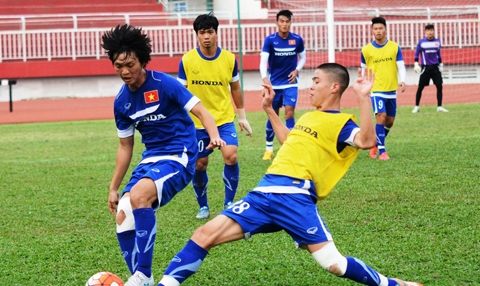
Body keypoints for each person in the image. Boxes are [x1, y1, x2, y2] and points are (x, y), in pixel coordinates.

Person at [157, 63, 423, 286]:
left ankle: (394, 284)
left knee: (334, 264)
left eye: (316, 80)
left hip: (295, 196)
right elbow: (289, 140)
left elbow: (366, 141)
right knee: (203, 235)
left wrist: (364, 97)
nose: (310, 85)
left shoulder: (343, 123)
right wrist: (270, 110)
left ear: (334, 87)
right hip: (263, 193)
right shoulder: (308, 118)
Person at [102, 24, 225, 286]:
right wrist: (113, 188)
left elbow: (202, 111)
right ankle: (141, 276)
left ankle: (143, 275)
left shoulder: (164, 83)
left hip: (180, 154)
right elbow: (125, 147)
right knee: (124, 211)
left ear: (141, 60)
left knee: (139, 197)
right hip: (152, 157)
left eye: (130, 64)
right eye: (118, 65)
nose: (124, 71)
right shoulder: (121, 101)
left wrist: (214, 135)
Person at [177, 12, 252, 220]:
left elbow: (235, 88)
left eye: (210, 32)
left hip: (224, 120)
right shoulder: (187, 60)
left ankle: (229, 203)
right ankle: (203, 206)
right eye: (202, 32)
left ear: (216, 33)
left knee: (231, 155)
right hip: (197, 124)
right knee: (200, 164)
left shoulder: (229, 59)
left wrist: (242, 116)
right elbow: (180, 94)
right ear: (197, 35)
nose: (207, 36)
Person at [259, 9, 306, 160]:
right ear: (277, 22)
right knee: (273, 116)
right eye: (282, 21)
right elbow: (263, 61)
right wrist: (264, 78)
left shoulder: (297, 39)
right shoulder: (270, 40)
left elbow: (303, 58)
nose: (285, 24)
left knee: (290, 113)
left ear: (290, 23)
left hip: (290, 84)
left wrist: (297, 70)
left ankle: (290, 147)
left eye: (287, 21)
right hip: (274, 85)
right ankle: (269, 148)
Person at [361, 16, 406, 161]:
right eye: (376, 28)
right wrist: (364, 85)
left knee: (390, 121)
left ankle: (375, 144)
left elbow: (400, 65)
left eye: (381, 28)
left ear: (385, 30)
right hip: (376, 89)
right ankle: (383, 152)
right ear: (372, 31)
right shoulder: (366, 50)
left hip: (391, 90)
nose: (378, 31)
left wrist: (403, 80)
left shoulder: (394, 47)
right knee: (381, 116)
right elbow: (363, 69)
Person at [412, 24, 448, 113]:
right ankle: (416, 106)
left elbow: (438, 54)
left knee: (439, 86)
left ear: (434, 31)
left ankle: (439, 106)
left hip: (435, 67)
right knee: (420, 87)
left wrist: (441, 64)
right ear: (425, 32)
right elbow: (417, 54)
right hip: (425, 68)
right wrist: (416, 64)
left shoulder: (437, 42)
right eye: (428, 31)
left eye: (431, 30)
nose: (430, 32)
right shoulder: (422, 42)